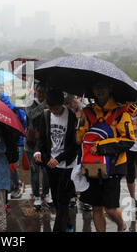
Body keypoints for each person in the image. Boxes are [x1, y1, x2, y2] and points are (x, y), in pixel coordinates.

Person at [77, 81, 136, 232]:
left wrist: (102, 146)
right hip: (92, 164)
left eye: (103, 86)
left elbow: (129, 140)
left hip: (115, 165)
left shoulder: (122, 113)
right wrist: (78, 122)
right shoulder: (88, 112)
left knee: (110, 208)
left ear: (110, 88)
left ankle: (121, 225)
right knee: (96, 207)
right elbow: (79, 139)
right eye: (97, 87)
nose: (99, 90)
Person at [34, 88, 79, 232]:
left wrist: (59, 159)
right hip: (50, 164)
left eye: (57, 108)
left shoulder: (71, 117)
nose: (54, 111)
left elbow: (74, 145)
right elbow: (41, 140)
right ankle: (68, 225)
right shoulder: (46, 115)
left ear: (62, 103)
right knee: (56, 199)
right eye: (51, 108)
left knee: (63, 200)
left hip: (67, 164)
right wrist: (39, 154)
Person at [24, 82, 51, 209]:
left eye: (44, 92)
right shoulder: (29, 102)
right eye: (40, 91)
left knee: (46, 170)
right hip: (32, 143)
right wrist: (45, 104)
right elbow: (31, 114)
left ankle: (46, 193)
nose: (42, 94)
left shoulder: (51, 104)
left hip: (45, 143)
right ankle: (36, 196)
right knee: (34, 170)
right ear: (35, 91)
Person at [0, 93, 26, 199]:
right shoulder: (15, 110)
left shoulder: (14, 110)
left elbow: (23, 125)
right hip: (11, 143)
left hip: (17, 144)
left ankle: (17, 186)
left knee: (12, 166)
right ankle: (13, 184)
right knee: (10, 166)